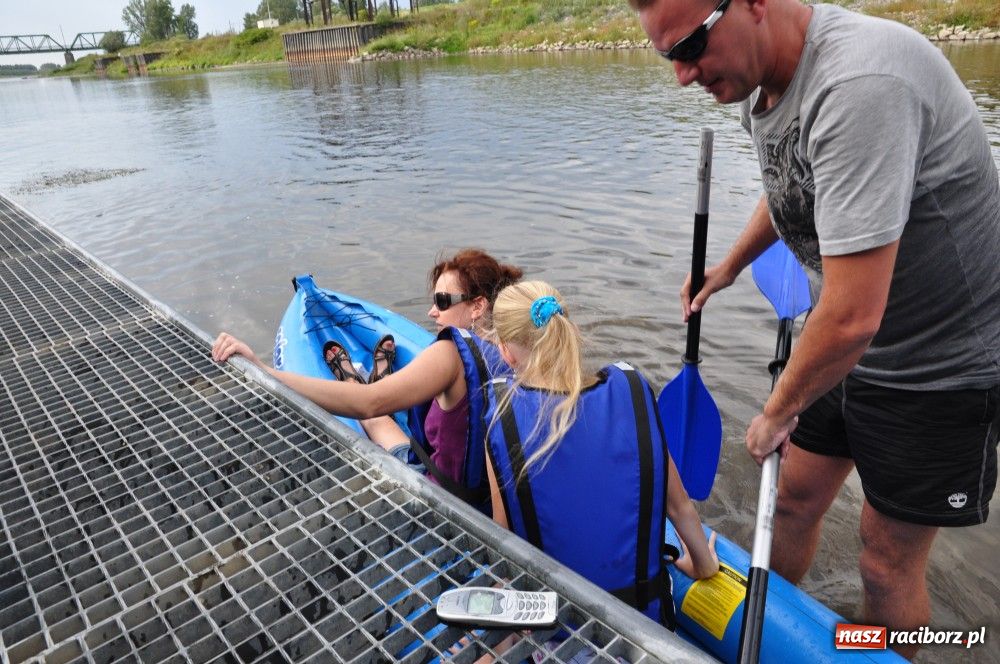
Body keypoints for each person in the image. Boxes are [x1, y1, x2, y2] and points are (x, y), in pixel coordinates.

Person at [631, 0, 1000, 656]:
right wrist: (729, 267)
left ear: (754, 5)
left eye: (690, 47)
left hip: (939, 366)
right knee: (792, 501)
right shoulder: (755, 80)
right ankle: (769, 635)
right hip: (843, 340)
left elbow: (854, 316)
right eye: (667, 57)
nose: (683, 75)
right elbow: (796, 183)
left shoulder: (860, 86)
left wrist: (776, 411)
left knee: (884, 562)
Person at [483, 281, 719, 629]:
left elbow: (504, 542)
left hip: (553, 634)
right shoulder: (632, 393)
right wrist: (704, 566)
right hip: (643, 625)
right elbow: (679, 505)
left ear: (506, 352)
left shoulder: (505, 422)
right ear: (569, 328)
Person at [212, 248, 523, 508]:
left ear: (477, 306)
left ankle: (352, 378)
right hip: (482, 501)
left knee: (374, 419)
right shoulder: (513, 353)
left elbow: (367, 404)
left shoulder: (450, 354)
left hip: (438, 495)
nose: (432, 312)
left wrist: (264, 370)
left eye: (442, 302)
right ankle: (382, 377)